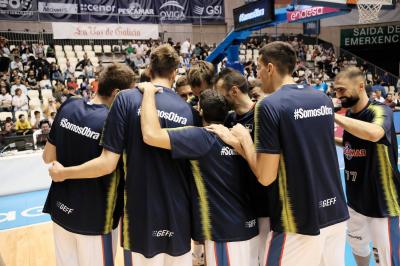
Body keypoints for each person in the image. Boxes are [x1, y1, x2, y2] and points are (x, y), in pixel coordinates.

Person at [48, 44, 195, 265]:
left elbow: (104, 161)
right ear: (175, 72)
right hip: (173, 212)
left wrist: (63, 173)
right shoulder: (188, 111)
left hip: (126, 212)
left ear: (149, 68)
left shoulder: (112, 102)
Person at [208, 42, 349, 266]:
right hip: (336, 214)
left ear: (270, 68)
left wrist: (242, 142)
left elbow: (266, 176)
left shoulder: (269, 105)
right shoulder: (322, 99)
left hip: (299, 220)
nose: (258, 74)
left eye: (259, 67)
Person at [139, 86, 259, 266]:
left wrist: (148, 93)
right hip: (250, 227)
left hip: (224, 232)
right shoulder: (237, 136)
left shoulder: (202, 137)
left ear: (200, 110)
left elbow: (151, 135)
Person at [42, 64, 135, 266]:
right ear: (117, 93)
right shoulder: (113, 121)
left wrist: (63, 171)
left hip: (60, 211)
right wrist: (65, 173)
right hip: (95, 218)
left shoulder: (69, 105)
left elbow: (48, 156)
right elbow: (106, 165)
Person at [333, 66, 400, 266]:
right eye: (336, 90)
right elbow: (349, 144)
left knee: (387, 260)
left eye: (342, 90)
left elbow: (374, 134)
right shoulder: (351, 116)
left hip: (382, 202)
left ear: (360, 86)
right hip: (355, 200)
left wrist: (333, 116)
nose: (338, 96)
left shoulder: (380, 110)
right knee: (358, 247)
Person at [214, 67, 270, 265]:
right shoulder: (229, 119)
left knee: (264, 258)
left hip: (265, 204)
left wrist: (239, 143)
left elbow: (267, 162)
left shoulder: (263, 115)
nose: (218, 98)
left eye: (220, 92)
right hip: (240, 205)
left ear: (234, 90)